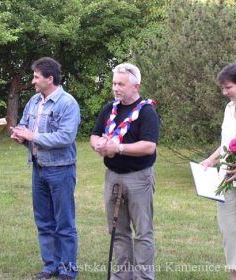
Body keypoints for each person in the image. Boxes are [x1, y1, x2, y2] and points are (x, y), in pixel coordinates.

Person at [11, 57, 80, 280]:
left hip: (61, 170)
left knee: (64, 223)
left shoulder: (67, 103)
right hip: (38, 168)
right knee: (43, 221)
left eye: (36, 77)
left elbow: (66, 136)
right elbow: (24, 125)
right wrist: (19, 135)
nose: (32, 81)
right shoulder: (33, 101)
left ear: (50, 79)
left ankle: (68, 271)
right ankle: (50, 266)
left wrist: (32, 136)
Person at [90, 63, 160, 280]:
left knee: (143, 233)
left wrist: (118, 148)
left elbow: (149, 146)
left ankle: (143, 277)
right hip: (113, 176)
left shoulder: (147, 111)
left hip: (139, 178)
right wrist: (98, 144)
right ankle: (121, 277)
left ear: (135, 86)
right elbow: (93, 135)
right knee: (117, 232)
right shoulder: (109, 109)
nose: (116, 88)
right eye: (114, 83)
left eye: (121, 84)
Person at [200, 62, 236, 280]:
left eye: (228, 87)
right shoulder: (228, 109)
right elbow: (226, 142)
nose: (224, 92)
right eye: (222, 88)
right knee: (230, 232)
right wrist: (211, 160)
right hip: (226, 179)